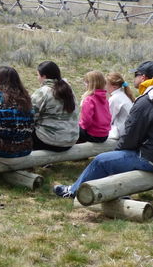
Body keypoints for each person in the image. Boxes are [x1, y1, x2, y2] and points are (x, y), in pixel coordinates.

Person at [54, 61, 153, 198]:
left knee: (103, 160)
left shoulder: (146, 101)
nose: (134, 78)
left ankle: (72, 191)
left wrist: (118, 152)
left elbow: (131, 135)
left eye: (136, 74)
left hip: (148, 157)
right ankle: (119, 192)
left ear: (143, 78)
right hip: (147, 153)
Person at [31, 61, 78, 152]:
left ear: (44, 76)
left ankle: (30, 162)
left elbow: (30, 116)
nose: (37, 78)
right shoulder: (69, 89)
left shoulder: (43, 92)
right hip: (70, 140)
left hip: (49, 142)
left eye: (38, 75)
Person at [78, 70, 111, 143]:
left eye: (86, 82)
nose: (85, 84)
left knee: (71, 131)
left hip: (93, 135)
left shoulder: (89, 99)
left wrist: (79, 126)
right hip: (104, 135)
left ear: (91, 84)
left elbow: (86, 121)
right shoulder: (105, 98)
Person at [106, 71, 134, 140]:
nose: (104, 87)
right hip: (128, 131)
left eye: (106, 84)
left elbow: (108, 120)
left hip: (121, 133)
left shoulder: (115, 98)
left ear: (114, 86)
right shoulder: (122, 95)